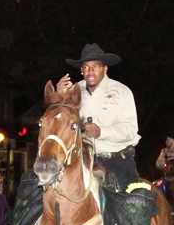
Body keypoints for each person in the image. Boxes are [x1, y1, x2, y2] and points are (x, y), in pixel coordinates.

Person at [55, 43, 141, 191]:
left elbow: (131, 130)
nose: (90, 71)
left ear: (105, 68)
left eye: (96, 66)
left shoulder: (121, 92)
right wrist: (59, 98)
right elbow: (59, 123)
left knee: (132, 207)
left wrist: (101, 132)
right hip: (81, 161)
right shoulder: (73, 92)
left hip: (117, 161)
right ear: (81, 71)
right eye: (86, 67)